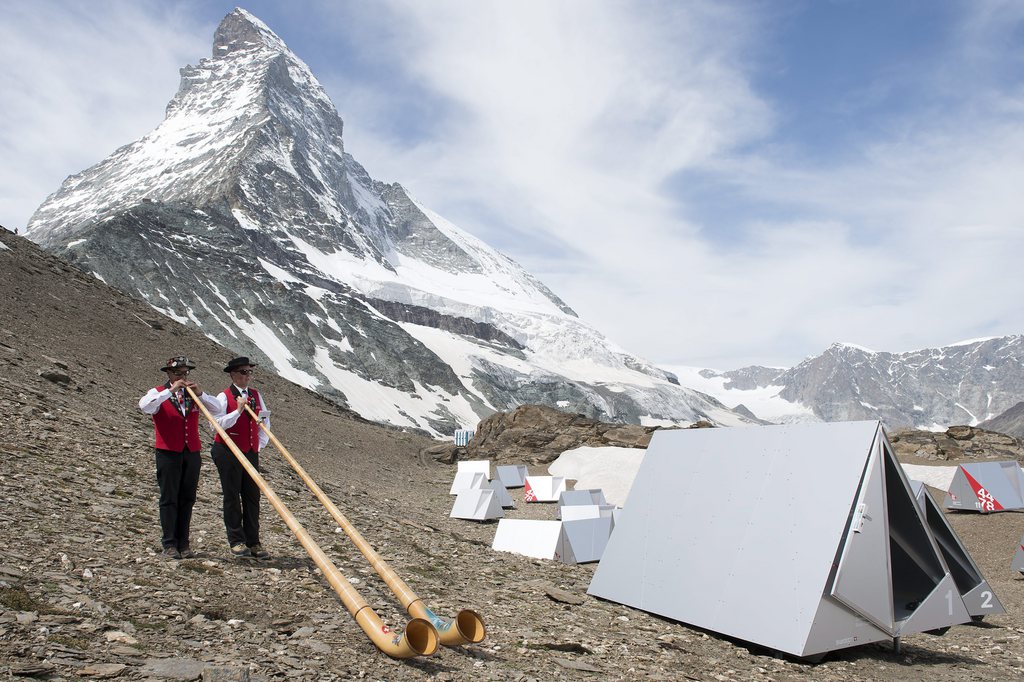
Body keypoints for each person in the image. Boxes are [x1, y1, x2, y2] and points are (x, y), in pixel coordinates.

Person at [138, 356, 221, 559]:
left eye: (185, 373)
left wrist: (202, 394)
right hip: (168, 451)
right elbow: (146, 406)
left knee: (187, 497)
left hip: (191, 451)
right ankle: (169, 543)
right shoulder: (158, 393)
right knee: (169, 497)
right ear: (168, 374)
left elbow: (217, 408)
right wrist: (170, 391)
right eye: (178, 373)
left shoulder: (193, 394)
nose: (182, 377)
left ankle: (184, 543)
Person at [210, 357, 272, 559]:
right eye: (243, 372)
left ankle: (254, 541)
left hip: (250, 451)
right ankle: (236, 540)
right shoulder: (223, 396)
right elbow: (215, 425)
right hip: (228, 451)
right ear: (233, 374)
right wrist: (237, 411)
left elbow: (264, 419)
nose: (247, 376)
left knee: (252, 496)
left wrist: (258, 445)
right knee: (232, 495)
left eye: (249, 372)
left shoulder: (256, 395)